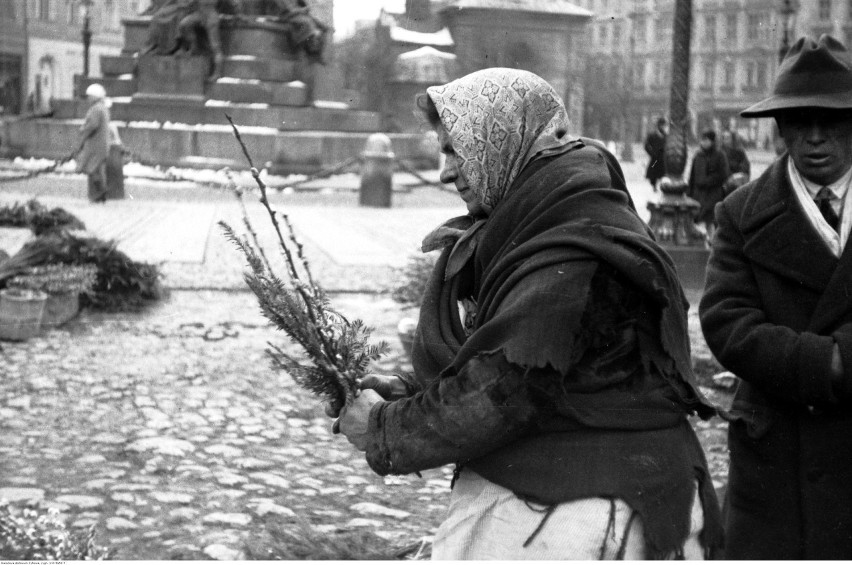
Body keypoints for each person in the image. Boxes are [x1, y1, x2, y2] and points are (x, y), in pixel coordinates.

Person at [333, 68, 723, 560]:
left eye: (457, 149)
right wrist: (413, 392)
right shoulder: (544, 216)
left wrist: (384, 428)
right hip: (567, 502)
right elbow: (536, 376)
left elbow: (504, 391)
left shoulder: (574, 245)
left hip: (595, 517)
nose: (444, 172)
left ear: (504, 140)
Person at [700, 35, 852, 560]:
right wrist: (823, 363)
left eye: (831, 120)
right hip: (774, 456)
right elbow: (725, 321)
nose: (814, 137)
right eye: (798, 121)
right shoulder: (741, 212)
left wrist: (844, 358)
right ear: (779, 126)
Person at [687, 130, 729, 239]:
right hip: (698, 194)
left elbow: (724, 174)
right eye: (702, 140)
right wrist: (689, 194)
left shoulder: (720, 155)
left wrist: (708, 181)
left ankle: (710, 243)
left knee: (709, 219)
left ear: (712, 141)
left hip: (713, 194)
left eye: (707, 140)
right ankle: (707, 242)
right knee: (700, 219)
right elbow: (692, 176)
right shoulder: (698, 155)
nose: (704, 143)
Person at [75, 84, 111, 204]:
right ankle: (101, 193)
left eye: (89, 96)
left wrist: (83, 130)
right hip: (101, 144)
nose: (88, 99)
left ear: (95, 97)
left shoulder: (96, 109)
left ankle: (100, 193)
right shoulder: (103, 108)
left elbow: (93, 125)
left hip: (95, 145)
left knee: (93, 169)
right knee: (98, 169)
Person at [720, 129, 750, 195]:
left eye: (727, 138)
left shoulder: (740, 152)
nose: (725, 140)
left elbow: (745, 166)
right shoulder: (719, 152)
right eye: (724, 138)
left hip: (737, 183)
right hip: (723, 184)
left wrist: (737, 175)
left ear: (732, 139)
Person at [644, 116, 668, 190]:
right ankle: (653, 185)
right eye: (662, 125)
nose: (663, 127)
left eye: (664, 125)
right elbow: (646, 145)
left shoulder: (666, 136)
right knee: (653, 171)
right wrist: (651, 153)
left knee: (663, 172)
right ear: (659, 125)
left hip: (663, 157)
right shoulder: (652, 135)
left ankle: (662, 185)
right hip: (655, 158)